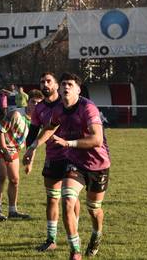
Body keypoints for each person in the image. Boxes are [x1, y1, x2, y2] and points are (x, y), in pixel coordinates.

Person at [27, 73, 110, 260]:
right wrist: (33, 147)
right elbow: (50, 127)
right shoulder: (58, 110)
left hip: (98, 164)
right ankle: (75, 250)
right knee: (66, 200)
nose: (66, 87)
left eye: (70, 84)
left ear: (78, 90)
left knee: (94, 209)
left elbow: (97, 139)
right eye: (63, 84)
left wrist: (68, 143)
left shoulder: (88, 108)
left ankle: (96, 235)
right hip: (75, 163)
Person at [23, 72, 79, 252]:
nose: (45, 84)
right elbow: (32, 134)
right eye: (42, 82)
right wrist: (29, 152)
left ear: (57, 85)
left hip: (72, 155)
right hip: (52, 156)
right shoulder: (39, 109)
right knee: (52, 199)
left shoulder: (68, 102)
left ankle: (74, 234)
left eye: (49, 81)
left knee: (71, 197)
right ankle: (51, 239)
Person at [0, 90, 43, 221]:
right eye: (32, 102)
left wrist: (30, 162)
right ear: (27, 102)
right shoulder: (16, 114)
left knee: (15, 180)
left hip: (13, 149)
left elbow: (32, 144)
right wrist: (5, 151)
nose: (35, 105)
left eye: (38, 103)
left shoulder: (37, 121)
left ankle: (13, 210)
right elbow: (0, 132)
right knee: (1, 176)